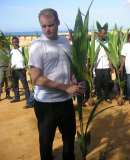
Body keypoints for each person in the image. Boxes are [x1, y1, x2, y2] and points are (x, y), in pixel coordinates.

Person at [28, 8, 85, 160]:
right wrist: (66, 87)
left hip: (65, 103)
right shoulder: (37, 46)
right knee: (46, 143)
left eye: (51, 25)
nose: (48, 29)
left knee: (69, 141)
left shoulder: (65, 41)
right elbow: (36, 78)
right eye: (44, 26)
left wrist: (75, 81)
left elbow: (69, 67)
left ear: (58, 22)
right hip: (46, 105)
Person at [10, 36, 31, 106]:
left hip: (21, 70)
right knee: (15, 85)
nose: (15, 43)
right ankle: (17, 97)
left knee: (25, 85)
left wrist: (27, 67)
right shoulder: (11, 51)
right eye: (13, 42)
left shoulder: (22, 49)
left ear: (18, 42)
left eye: (16, 42)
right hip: (13, 70)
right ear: (12, 43)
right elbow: (10, 60)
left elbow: (27, 58)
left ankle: (29, 100)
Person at [94, 26, 112, 102]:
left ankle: (107, 97)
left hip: (106, 66)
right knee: (98, 83)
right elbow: (90, 55)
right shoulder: (93, 43)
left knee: (106, 83)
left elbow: (110, 55)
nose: (104, 34)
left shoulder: (108, 43)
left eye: (105, 33)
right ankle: (99, 97)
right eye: (102, 33)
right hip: (97, 66)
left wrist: (111, 66)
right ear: (99, 33)